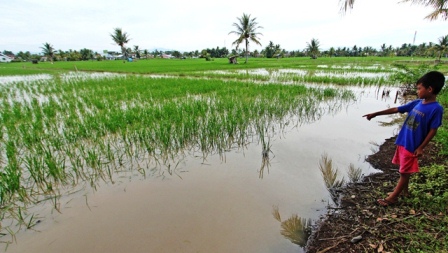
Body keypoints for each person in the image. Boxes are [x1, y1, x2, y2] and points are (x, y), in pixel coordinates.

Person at [363, 71, 445, 206]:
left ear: (430, 89)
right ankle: (404, 192)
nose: (417, 91)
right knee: (403, 168)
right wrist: (376, 113)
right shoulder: (418, 103)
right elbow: (397, 109)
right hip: (403, 141)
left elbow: (433, 130)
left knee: (404, 172)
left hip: (413, 145)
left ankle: (393, 198)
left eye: (419, 88)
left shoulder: (436, 109)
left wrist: (421, 147)